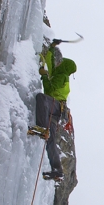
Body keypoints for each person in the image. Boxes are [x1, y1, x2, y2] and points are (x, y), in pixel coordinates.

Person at [28, 40, 77, 181]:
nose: (57, 64)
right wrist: (51, 47)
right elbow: (50, 62)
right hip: (56, 112)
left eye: (59, 63)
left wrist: (43, 75)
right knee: (50, 140)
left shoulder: (62, 77)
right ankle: (57, 170)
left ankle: (42, 128)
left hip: (54, 105)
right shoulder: (58, 74)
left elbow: (50, 89)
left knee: (41, 98)